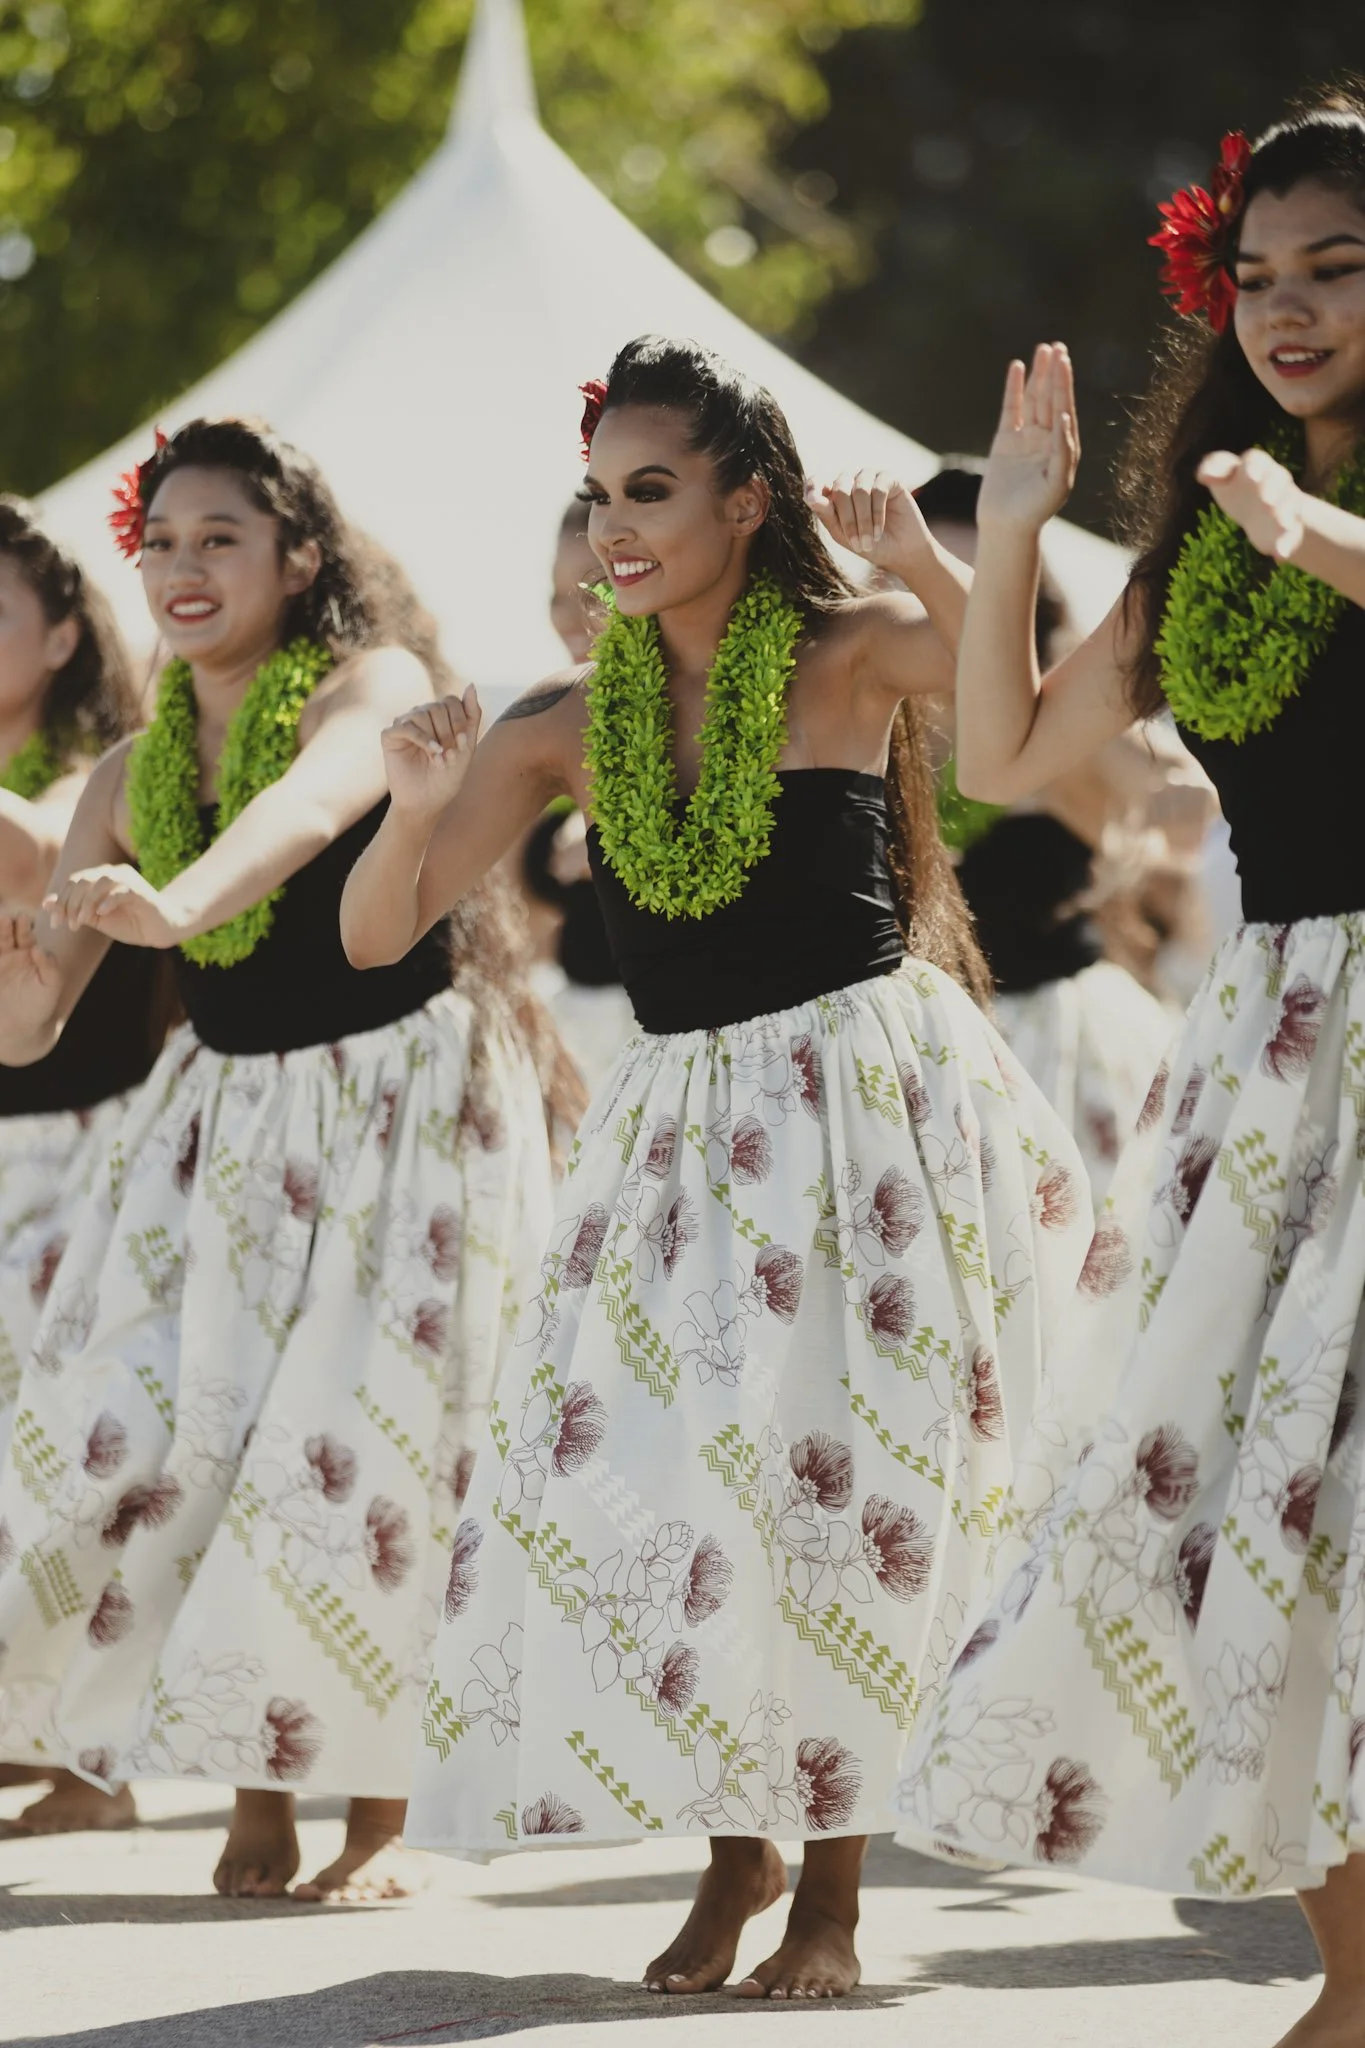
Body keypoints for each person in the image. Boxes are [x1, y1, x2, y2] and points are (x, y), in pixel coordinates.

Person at [341, 335, 1090, 1997]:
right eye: (600, 495)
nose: (614, 528)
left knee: (847, 1481)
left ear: (749, 500)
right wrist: (405, 810)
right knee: (685, 1493)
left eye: (654, 492)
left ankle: (824, 1887)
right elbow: (381, 930)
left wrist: (949, 550)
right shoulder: (557, 724)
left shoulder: (846, 651)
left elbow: (1007, 742)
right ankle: (731, 1852)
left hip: (863, 1115)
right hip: (678, 1137)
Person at [891, 97, 1365, 2048]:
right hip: (1273, 1054)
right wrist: (1009, 527)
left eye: (1335, 267)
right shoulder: (1217, 541)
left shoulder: (1288, 523)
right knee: (1255, 1514)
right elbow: (1002, 758)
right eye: (1254, 278)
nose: (1288, 309)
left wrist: (1325, 530)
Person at [0, 419, 556, 1902]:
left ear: (299, 557)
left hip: (404, 1099)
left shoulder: (366, 682)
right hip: (229, 1113)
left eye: (220, 539)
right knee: (175, 1428)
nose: (182, 569)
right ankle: (243, 1768)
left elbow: (308, 811)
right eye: (161, 544)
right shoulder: (124, 771)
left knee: (370, 1433)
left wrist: (175, 906)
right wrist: (24, 961)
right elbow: (31, 1022)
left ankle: (370, 1808)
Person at [0, 499, 171, 1835]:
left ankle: (82, 1758)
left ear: (61, 632)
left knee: (67, 1450)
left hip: (89, 1147)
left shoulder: (101, 767)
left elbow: (40, 855)